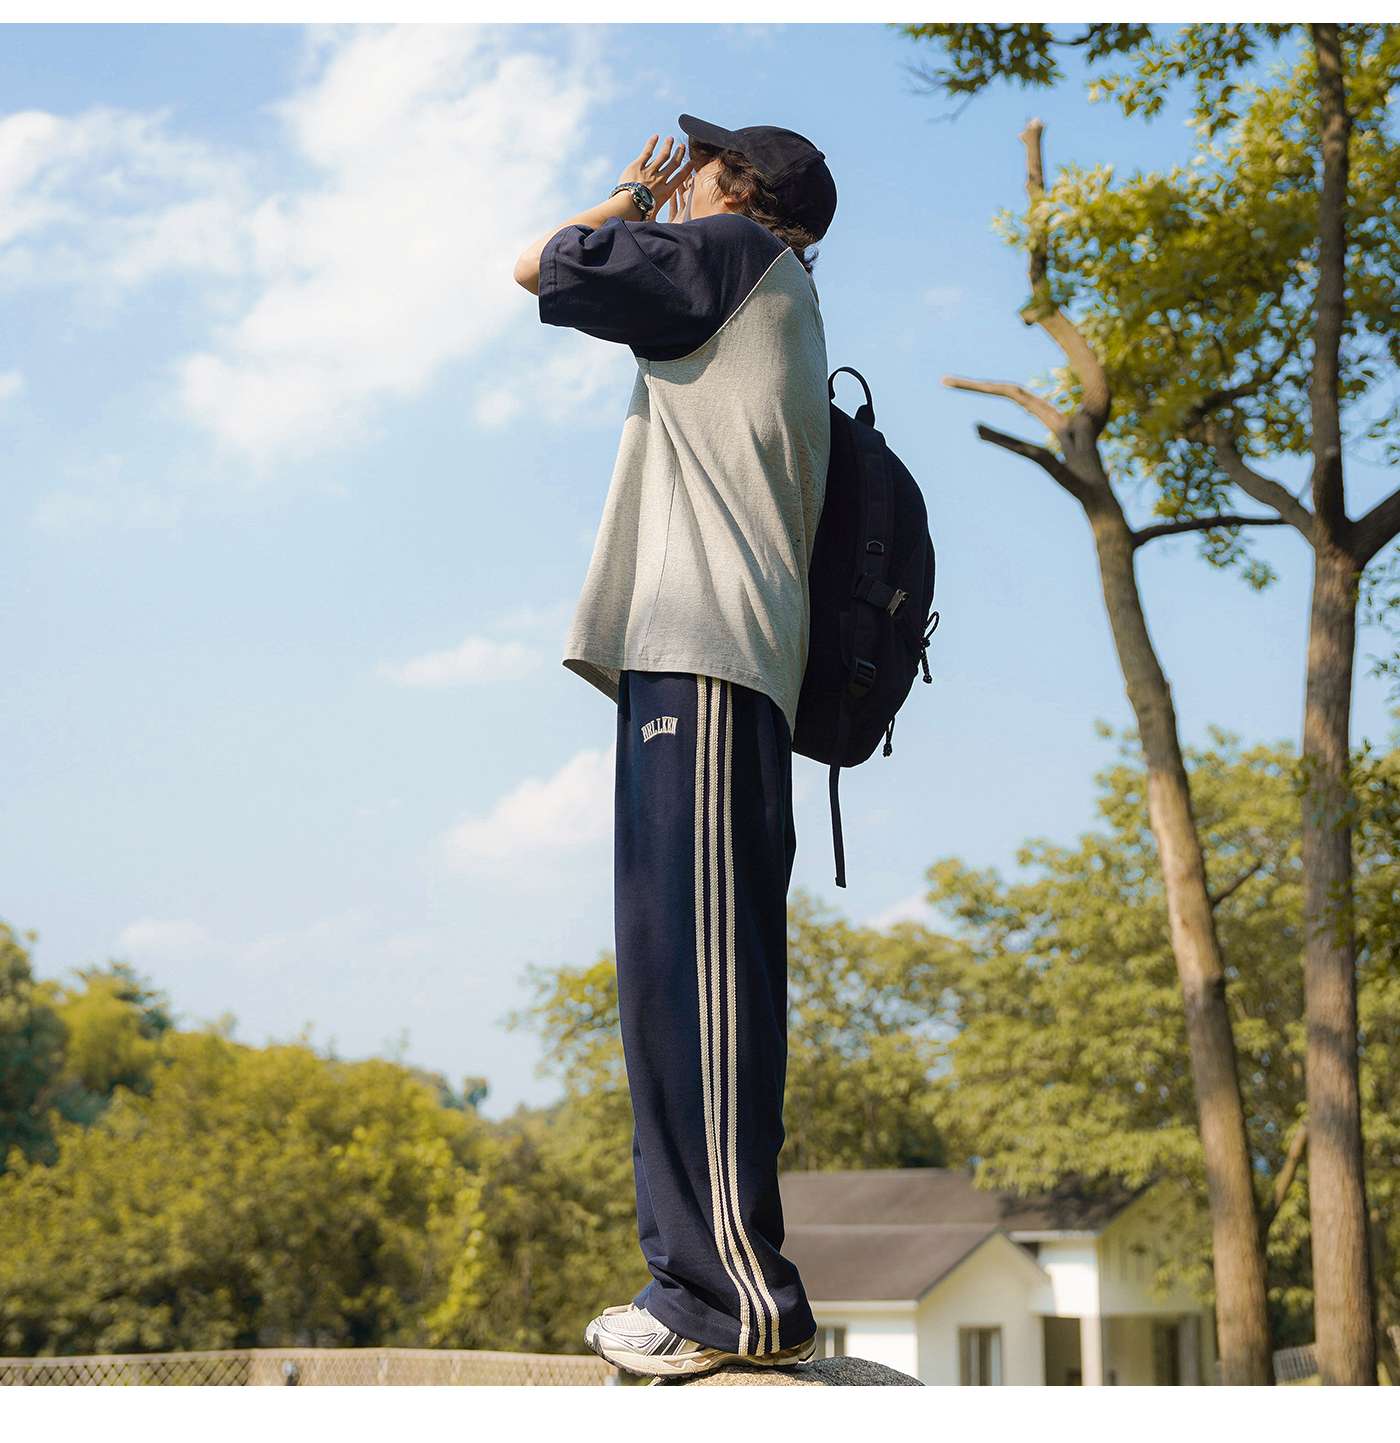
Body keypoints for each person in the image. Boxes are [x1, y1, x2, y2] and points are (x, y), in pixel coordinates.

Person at [512, 114, 837, 1380]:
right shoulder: (753, 284)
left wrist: (621, 198)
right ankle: (702, 1285)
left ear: (735, 187)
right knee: (677, 983)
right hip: (695, 660)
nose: (678, 175)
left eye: (693, 166)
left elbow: (546, 264)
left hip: (708, 656)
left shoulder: (734, 256)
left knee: (695, 985)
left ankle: (732, 1299)